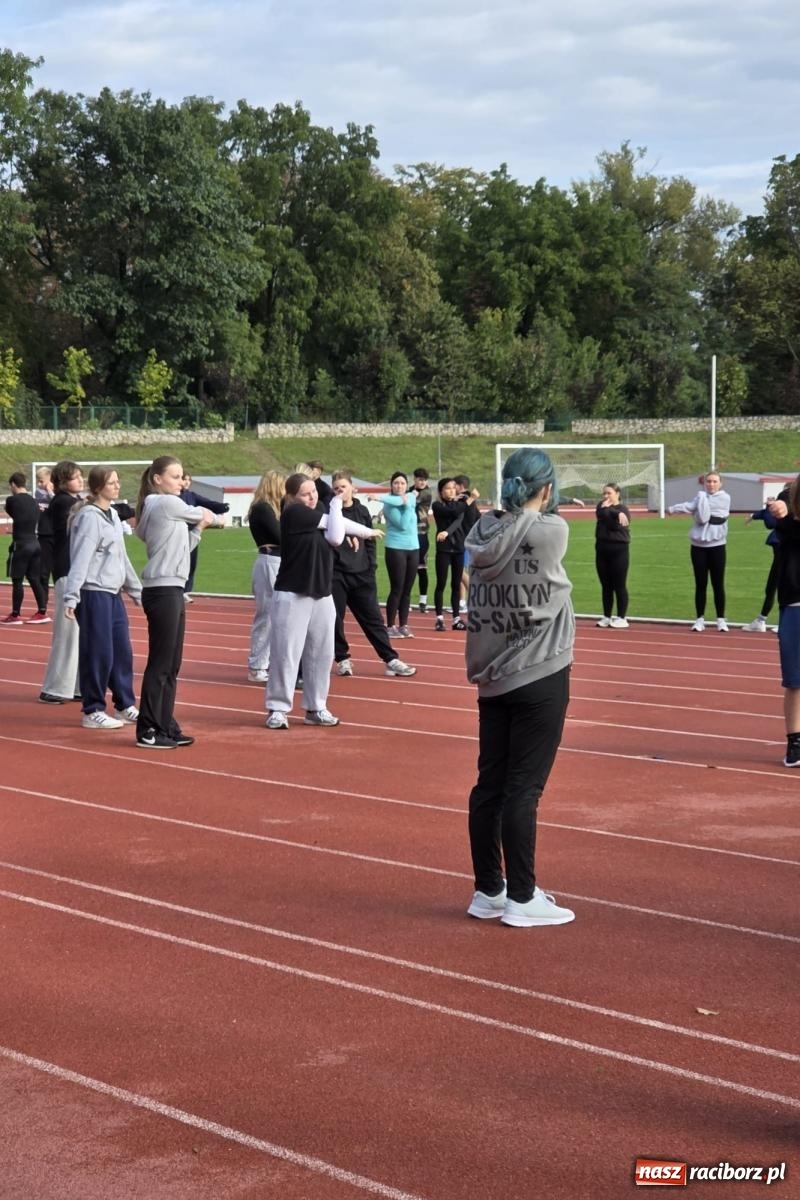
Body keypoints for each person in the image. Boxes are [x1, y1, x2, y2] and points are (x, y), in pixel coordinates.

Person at [464, 446, 575, 928]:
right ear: (546, 490)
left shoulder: (478, 531)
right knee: (523, 789)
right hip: (541, 670)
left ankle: (489, 888)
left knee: (490, 785)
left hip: (493, 676)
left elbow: (501, 523)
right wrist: (535, 504)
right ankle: (523, 897)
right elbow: (536, 519)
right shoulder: (554, 530)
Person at [265, 472, 383, 730]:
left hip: (321, 592)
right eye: (305, 493)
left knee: (322, 653)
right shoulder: (294, 512)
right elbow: (337, 533)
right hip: (293, 592)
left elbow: (334, 532)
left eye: (314, 492)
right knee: (287, 652)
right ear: (293, 497)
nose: (311, 497)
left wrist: (362, 531)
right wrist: (358, 526)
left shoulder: (319, 510)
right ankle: (278, 708)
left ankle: (316, 707)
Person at [135, 456, 220, 749]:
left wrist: (199, 529)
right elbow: (208, 514)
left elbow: (183, 547)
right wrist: (210, 519)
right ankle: (148, 728)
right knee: (161, 663)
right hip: (163, 590)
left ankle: (164, 722)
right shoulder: (164, 504)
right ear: (157, 479)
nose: (181, 482)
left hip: (171, 587)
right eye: (175, 476)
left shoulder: (162, 508)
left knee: (171, 664)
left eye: (182, 477)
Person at [63, 467, 142, 730]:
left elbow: (121, 557)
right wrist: (71, 596)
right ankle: (93, 709)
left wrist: (136, 589)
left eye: (118, 482)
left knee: (122, 651)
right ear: (98, 487)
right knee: (98, 652)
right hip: (93, 592)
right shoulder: (89, 518)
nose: (117, 486)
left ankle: (123, 704)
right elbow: (81, 556)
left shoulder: (112, 516)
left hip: (112, 593)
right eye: (112, 483)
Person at [330, 471, 416, 678]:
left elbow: (370, 540)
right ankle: (342, 658)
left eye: (343, 486)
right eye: (336, 488)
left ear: (352, 488)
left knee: (373, 619)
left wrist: (371, 566)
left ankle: (390, 659)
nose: (340, 490)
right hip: (337, 574)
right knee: (335, 620)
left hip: (362, 574)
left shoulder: (362, 511)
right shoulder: (331, 511)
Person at [39, 461, 84, 702]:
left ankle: (76, 685)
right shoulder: (65, 502)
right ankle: (54, 687)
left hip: (74, 570)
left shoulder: (71, 502)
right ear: (62, 481)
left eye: (81, 477)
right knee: (67, 633)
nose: (80, 481)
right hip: (67, 571)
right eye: (75, 477)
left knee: (78, 633)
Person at [668, 471, 731, 632]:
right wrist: (674, 508)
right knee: (700, 584)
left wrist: (696, 508)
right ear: (704, 483)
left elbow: (704, 517)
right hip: (698, 547)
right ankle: (699, 619)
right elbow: (689, 506)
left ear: (720, 483)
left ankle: (721, 619)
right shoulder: (700, 497)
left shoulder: (724, 498)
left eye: (714, 481)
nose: (711, 484)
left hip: (717, 546)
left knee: (718, 583)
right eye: (708, 481)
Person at [765, 481, 800, 765]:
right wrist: (779, 509)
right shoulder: (788, 526)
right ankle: (795, 743)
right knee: (795, 681)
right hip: (796, 607)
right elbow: (772, 515)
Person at [246, 469, 286, 682]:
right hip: (270, 560)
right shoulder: (263, 508)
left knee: (278, 614)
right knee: (268, 615)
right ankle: (257, 664)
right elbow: (279, 535)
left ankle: (267, 661)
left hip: (277, 560)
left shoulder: (274, 508)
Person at [432, 477, 480, 631]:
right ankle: (439, 618)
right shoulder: (437, 505)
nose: (451, 490)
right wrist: (470, 499)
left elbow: (459, 519)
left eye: (453, 487)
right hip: (444, 549)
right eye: (447, 488)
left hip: (458, 547)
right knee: (441, 583)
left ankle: (456, 618)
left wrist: (447, 531)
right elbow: (452, 512)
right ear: (441, 491)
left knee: (456, 584)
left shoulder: (460, 504)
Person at [3, 473, 49, 624]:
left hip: (21, 543)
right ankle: (42, 611)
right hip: (35, 543)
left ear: (13, 484)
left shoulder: (11, 500)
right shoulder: (33, 501)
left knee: (17, 580)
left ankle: (15, 615)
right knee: (34, 578)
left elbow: (12, 512)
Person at [179, 470, 229, 601]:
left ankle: (185, 590)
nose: (187, 482)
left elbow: (207, 503)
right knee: (180, 562)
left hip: (192, 532)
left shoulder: (192, 495)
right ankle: (177, 588)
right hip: (179, 533)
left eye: (189, 480)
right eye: (185, 479)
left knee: (192, 562)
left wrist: (223, 507)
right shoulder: (175, 498)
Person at [382, 471, 419, 638]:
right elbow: (403, 524)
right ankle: (390, 626)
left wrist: (407, 503)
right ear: (391, 485)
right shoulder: (389, 505)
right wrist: (407, 506)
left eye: (402, 483)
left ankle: (404, 624)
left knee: (407, 589)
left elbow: (405, 499)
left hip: (413, 548)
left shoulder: (410, 496)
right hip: (395, 547)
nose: (399, 486)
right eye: (396, 483)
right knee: (397, 588)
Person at [594, 483, 631, 628]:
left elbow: (614, 526)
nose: (605, 496)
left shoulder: (624, 509)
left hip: (619, 549)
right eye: (604, 493)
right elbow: (601, 514)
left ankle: (622, 617)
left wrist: (616, 513)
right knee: (606, 586)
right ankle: (607, 616)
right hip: (602, 549)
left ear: (617, 494)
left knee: (619, 585)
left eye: (609, 493)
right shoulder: (601, 506)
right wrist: (614, 513)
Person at [742, 504, 780, 632]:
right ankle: (762, 620)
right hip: (783, 557)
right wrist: (754, 515)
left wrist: (765, 512)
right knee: (773, 588)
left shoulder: (789, 517)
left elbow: (770, 522)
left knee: (780, 588)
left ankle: (785, 622)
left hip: (787, 558)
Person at [409, 468, 432, 612]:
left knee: (421, 568)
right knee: (409, 568)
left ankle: (423, 601)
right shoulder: (410, 490)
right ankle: (406, 599)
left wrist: (408, 495)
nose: (422, 482)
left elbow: (409, 501)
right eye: (420, 479)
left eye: (424, 480)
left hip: (421, 532)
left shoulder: (427, 493)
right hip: (409, 533)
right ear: (415, 479)